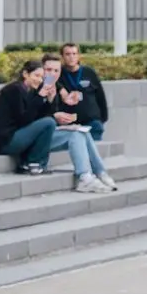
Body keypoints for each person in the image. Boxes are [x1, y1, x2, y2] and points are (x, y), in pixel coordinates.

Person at [44, 52, 117, 193]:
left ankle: (99, 172)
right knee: (76, 134)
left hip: (49, 133)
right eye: (48, 70)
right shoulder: (37, 88)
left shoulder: (54, 88)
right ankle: (84, 177)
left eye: (56, 71)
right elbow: (32, 118)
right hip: (36, 140)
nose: (52, 74)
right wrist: (55, 117)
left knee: (82, 131)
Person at [54, 43, 109, 144]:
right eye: (68, 54)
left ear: (79, 55)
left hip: (92, 122)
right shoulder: (58, 74)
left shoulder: (89, 72)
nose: (71, 57)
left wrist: (103, 119)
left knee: (94, 149)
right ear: (62, 56)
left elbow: (100, 96)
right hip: (69, 125)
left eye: (74, 54)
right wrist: (61, 89)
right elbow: (46, 80)